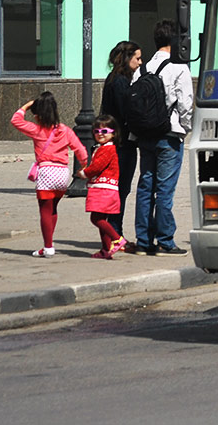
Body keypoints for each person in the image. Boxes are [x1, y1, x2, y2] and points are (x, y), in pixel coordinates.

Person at [128, 19, 193, 256]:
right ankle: (166, 239)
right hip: (169, 135)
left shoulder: (142, 69)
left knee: (146, 186)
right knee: (165, 190)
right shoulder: (179, 67)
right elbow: (186, 104)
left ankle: (143, 240)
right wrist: (184, 128)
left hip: (145, 136)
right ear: (175, 41)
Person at [11, 91, 88, 258]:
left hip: (46, 172)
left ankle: (48, 247)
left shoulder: (36, 130)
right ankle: (49, 244)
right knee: (53, 208)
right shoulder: (65, 130)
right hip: (62, 173)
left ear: (38, 115)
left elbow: (15, 120)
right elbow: (80, 150)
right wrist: (84, 166)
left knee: (44, 211)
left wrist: (27, 105)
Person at [99, 40, 141, 241]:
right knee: (120, 190)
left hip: (117, 143)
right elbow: (127, 113)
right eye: (137, 58)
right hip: (122, 145)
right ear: (127, 59)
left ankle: (114, 233)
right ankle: (116, 234)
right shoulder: (121, 83)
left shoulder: (113, 79)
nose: (140, 63)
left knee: (117, 190)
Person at [76, 114, 127, 259]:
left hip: (103, 189)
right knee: (101, 219)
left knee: (96, 219)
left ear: (113, 133)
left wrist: (84, 173)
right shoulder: (104, 148)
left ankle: (117, 239)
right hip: (106, 188)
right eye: (96, 131)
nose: (100, 134)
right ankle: (106, 250)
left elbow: (97, 167)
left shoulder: (107, 150)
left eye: (104, 132)